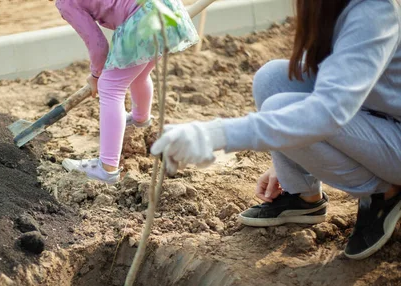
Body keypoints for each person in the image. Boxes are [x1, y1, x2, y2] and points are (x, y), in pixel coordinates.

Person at [151, 0, 401, 260]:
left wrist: (215, 134)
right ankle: (304, 196)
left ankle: (383, 191)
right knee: (272, 79)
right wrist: (290, 157)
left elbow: (326, 112)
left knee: (281, 106)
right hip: (374, 113)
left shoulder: (374, 9)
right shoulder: (331, 6)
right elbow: (326, 76)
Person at [55, 0, 199, 184]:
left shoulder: (66, 3)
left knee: (110, 86)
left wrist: (96, 75)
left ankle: (106, 168)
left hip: (143, 19)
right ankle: (140, 119)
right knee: (140, 73)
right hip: (168, 9)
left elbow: (99, 47)